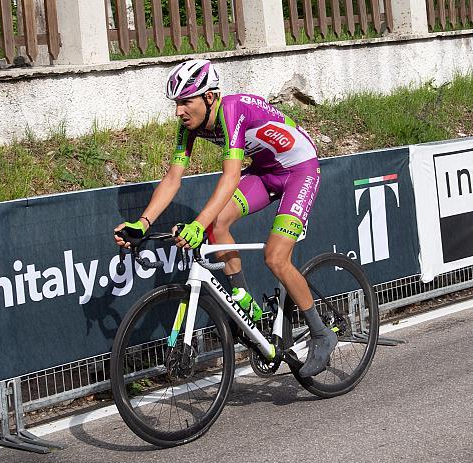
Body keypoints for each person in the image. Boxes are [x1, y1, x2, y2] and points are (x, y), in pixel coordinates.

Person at [114, 59, 336, 377]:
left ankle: (321, 333)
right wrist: (142, 223)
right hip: (265, 171)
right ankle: (243, 297)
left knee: (275, 257)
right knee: (219, 223)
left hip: (299, 170)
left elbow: (230, 176)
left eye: (185, 102)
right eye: (176, 103)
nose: (179, 111)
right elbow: (173, 177)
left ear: (208, 97)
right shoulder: (188, 127)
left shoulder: (232, 110)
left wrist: (196, 224)